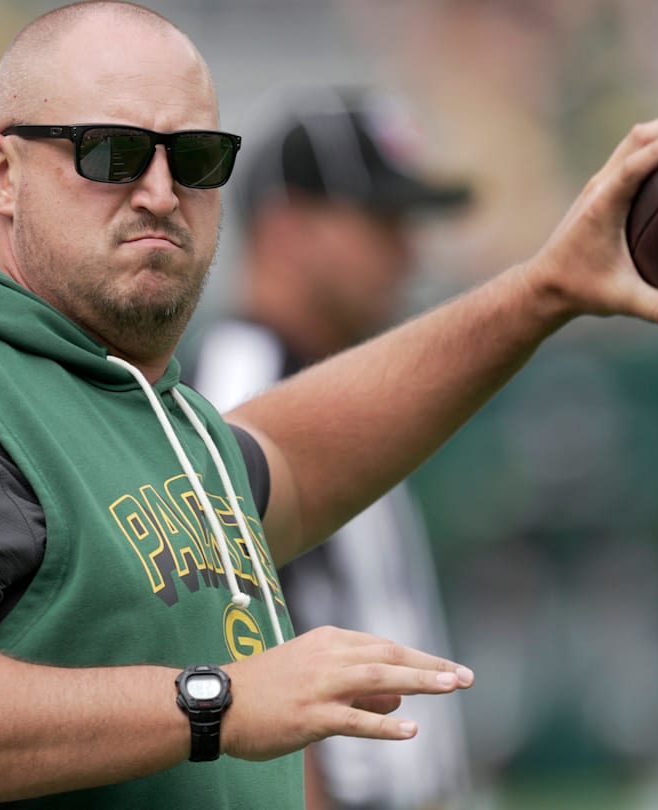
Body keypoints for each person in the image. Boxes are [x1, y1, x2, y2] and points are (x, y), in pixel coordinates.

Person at [0, 1, 658, 807]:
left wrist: (541, 291)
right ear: (1, 173)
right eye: (111, 151)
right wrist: (212, 700)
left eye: (196, 158)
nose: (161, 191)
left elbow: (294, 455)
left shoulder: (140, 405)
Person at [187, 85, 473, 809]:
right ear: (287, 227)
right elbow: (219, 639)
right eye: (382, 221)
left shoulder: (341, 379)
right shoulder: (242, 387)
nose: (409, 252)